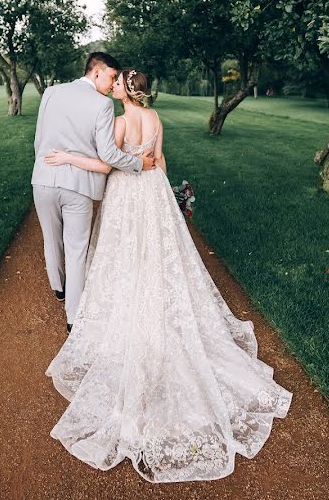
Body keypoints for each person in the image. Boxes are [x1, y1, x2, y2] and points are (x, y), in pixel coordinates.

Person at [43, 68, 293, 483]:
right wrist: (163, 196)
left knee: (123, 255)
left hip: (128, 194)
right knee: (160, 253)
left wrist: (68, 158)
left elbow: (109, 167)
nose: (115, 86)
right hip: (154, 192)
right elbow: (159, 161)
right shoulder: (155, 119)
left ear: (127, 90)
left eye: (119, 82)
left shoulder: (121, 121)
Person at [31, 52, 156, 332]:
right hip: (80, 184)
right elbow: (109, 154)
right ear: (97, 72)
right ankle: (73, 317)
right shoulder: (102, 106)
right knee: (76, 249)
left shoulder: (51, 93)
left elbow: (39, 140)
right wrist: (138, 163)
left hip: (43, 177)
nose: (112, 85)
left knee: (51, 239)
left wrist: (44, 166)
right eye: (112, 77)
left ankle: (58, 287)